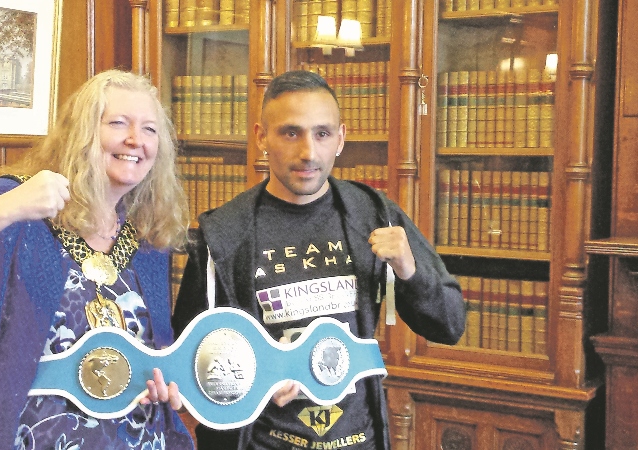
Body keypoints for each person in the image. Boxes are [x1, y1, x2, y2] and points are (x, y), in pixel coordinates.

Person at [0, 70, 194, 449]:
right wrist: (5, 207)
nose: (135, 140)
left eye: (149, 129)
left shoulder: (148, 234)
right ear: (82, 133)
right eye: (118, 123)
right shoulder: (20, 204)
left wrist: (169, 385)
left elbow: (155, 353)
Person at [171, 70, 466, 450]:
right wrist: (256, 381)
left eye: (322, 133)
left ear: (341, 138)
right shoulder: (222, 235)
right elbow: (191, 362)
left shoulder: (375, 215)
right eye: (290, 133)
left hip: (361, 439)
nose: (308, 151)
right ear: (261, 136)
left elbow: (450, 326)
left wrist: (410, 270)